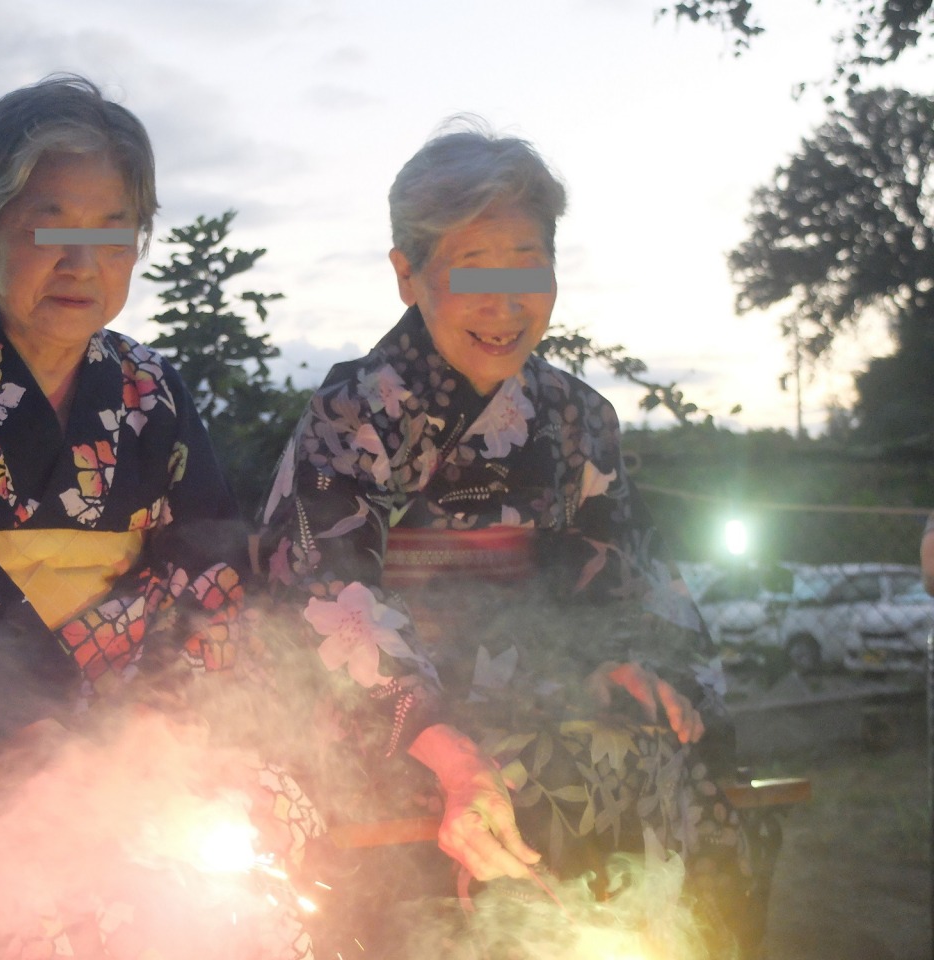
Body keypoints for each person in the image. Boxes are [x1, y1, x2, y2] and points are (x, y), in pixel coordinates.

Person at [0, 75, 310, 960]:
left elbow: (205, 565)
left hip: (128, 722)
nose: (81, 262)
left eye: (110, 233)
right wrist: (40, 742)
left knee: (254, 821)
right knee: (39, 864)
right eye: (50, 225)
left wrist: (162, 734)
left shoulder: (148, 390)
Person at [256, 121, 749, 956]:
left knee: (669, 752)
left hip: (545, 699)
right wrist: (446, 749)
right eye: (472, 271)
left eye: (528, 268)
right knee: (490, 790)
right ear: (407, 275)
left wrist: (629, 661)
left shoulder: (576, 418)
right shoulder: (355, 416)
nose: (505, 304)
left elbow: (625, 572)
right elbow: (323, 593)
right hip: (397, 726)